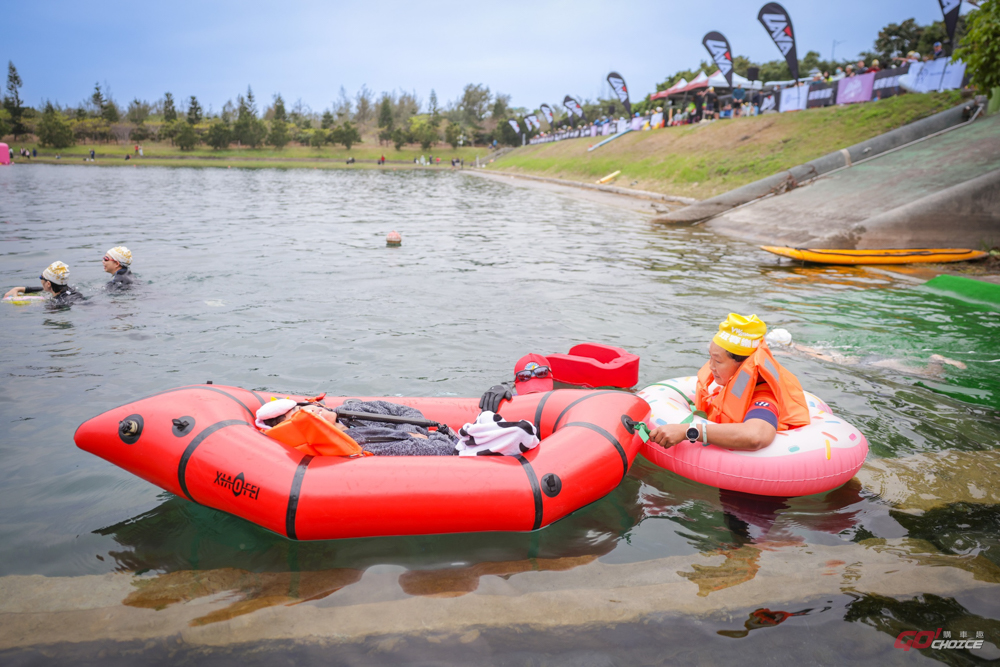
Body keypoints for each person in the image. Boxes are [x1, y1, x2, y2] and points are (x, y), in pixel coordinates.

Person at [648, 314, 809, 452]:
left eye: (717, 360)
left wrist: (688, 431)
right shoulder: (732, 386)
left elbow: (756, 436)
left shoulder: (764, 396)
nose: (710, 366)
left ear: (743, 365)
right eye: (710, 357)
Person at [4, 261, 85, 305]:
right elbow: (42, 289)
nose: (40, 280)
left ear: (49, 284)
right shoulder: (69, 290)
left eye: (41, 277)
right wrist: (17, 289)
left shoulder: (58, 302)